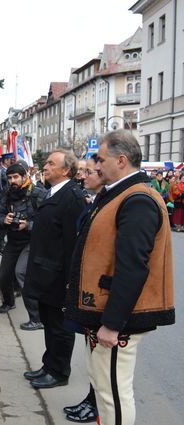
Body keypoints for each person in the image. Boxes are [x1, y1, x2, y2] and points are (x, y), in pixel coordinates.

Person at [65, 130, 175, 425]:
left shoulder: (137, 199)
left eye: (101, 159)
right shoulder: (121, 193)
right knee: (104, 390)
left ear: (122, 160)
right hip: (103, 312)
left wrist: (112, 324)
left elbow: (132, 268)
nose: (96, 166)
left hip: (114, 319)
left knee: (112, 393)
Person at [22, 149, 86, 389]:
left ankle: (59, 372)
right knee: (49, 323)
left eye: (51, 163)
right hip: (46, 272)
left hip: (58, 276)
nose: (45, 166)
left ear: (65, 170)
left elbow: (73, 244)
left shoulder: (73, 197)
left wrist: (70, 281)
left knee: (59, 327)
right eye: (46, 163)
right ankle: (49, 365)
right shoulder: (54, 191)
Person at [62, 154, 103, 424]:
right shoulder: (96, 200)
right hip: (87, 290)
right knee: (93, 359)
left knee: (103, 365)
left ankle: (97, 405)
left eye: (89, 172)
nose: (83, 176)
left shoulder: (114, 202)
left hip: (101, 295)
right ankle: (91, 400)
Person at [0, 163, 46, 332]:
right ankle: (9, 302)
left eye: (15, 177)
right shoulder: (7, 193)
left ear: (24, 176)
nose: (12, 181)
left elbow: (48, 221)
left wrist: (29, 225)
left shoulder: (38, 193)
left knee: (21, 273)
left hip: (31, 241)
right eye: (9, 178)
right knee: (3, 276)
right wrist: (5, 220)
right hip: (13, 240)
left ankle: (36, 317)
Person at [0, 152, 14, 253]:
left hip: (5, 199)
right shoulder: (1, 172)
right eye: (10, 159)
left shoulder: (5, 171)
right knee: (1, 224)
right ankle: (0, 246)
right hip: (1, 199)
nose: (12, 161)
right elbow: (1, 187)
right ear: (5, 161)